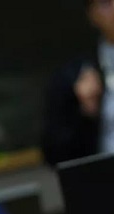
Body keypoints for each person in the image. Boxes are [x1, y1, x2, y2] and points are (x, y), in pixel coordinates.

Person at [41, 0, 114, 165]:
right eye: (105, 3)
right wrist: (86, 112)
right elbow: (55, 156)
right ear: (93, 15)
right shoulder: (75, 75)